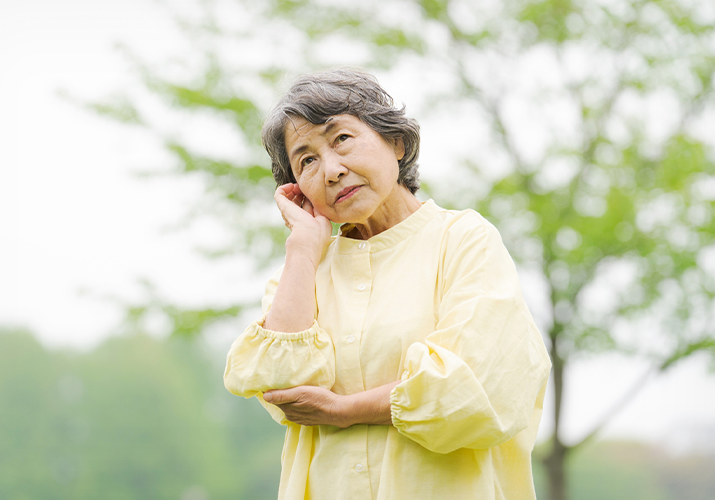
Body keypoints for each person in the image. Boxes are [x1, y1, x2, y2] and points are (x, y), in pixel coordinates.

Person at [224, 68, 551, 500]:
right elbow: (280, 385)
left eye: (341, 139)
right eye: (307, 160)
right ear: (297, 188)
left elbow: (478, 389)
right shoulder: (302, 272)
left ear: (395, 141)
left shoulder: (463, 239)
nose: (332, 170)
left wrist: (343, 410)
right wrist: (303, 250)